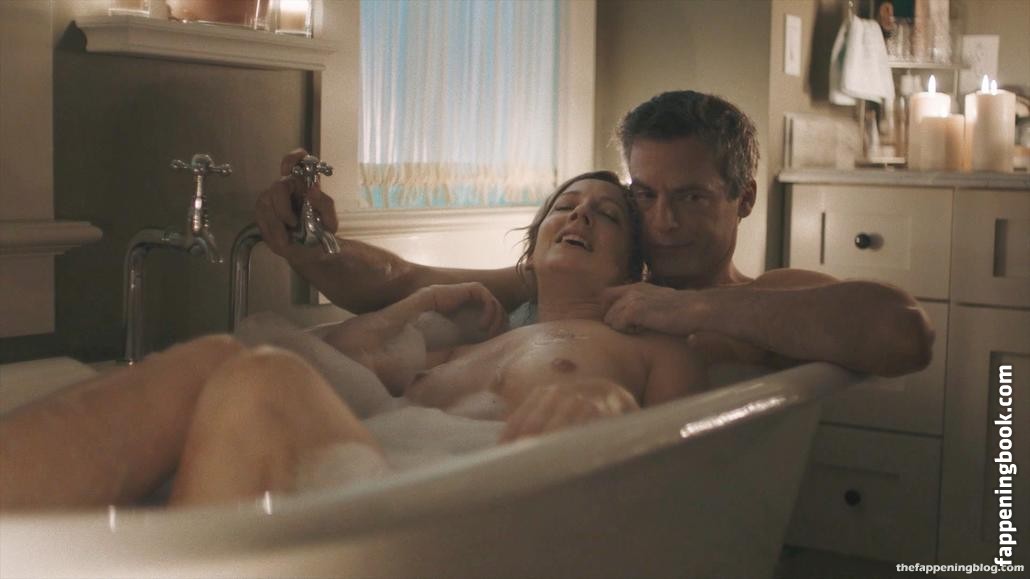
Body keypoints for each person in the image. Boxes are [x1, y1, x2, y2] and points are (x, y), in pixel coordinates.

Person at [0, 172, 706, 510]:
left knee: (259, 379)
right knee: (228, 364)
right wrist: (417, 307)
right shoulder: (470, 338)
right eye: (565, 205)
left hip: (466, 527)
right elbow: (337, 367)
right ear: (535, 238)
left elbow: (684, 482)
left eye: (606, 214)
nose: (579, 216)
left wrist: (610, 406)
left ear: (632, 264)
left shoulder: (647, 344)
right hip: (383, 496)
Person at [256, 90, 933, 377]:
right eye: (645, 195)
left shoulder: (766, 298)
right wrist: (309, 241)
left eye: (692, 197)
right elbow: (402, 282)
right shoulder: (583, 290)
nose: (663, 221)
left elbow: (904, 333)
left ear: (745, 198)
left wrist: (696, 309)